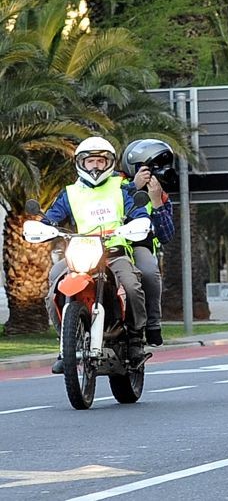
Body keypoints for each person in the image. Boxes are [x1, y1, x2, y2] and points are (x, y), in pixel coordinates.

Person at [42, 137, 150, 368]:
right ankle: (65, 346)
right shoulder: (70, 193)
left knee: (131, 286)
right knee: (53, 288)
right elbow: (51, 218)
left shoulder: (122, 188)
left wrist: (138, 222)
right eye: (90, 161)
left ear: (109, 163)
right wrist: (43, 227)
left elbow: (138, 212)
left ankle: (135, 338)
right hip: (81, 255)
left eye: (100, 161)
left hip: (114, 254)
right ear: (81, 163)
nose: (95, 166)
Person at [120, 138, 177, 348]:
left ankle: (153, 324)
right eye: (148, 168)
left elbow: (166, 236)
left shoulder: (160, 196)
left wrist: (156, 202)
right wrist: (134, 187)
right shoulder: (116, 185)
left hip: (138, 246)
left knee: (149, 271)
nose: (154, 174)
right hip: (105, 244)